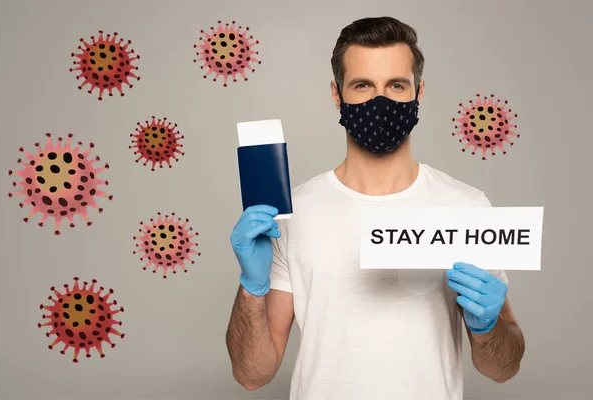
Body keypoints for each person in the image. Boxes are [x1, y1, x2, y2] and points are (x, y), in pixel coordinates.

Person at [225, 16, 525, 400]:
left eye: (396, 85)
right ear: (337, 94)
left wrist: (488, 328)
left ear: (419, 92)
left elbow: (503, 369)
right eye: (363, 85)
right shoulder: (293, 213)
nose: (379, 100)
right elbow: (253, 374)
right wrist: (252, 288)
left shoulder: (465, 207)